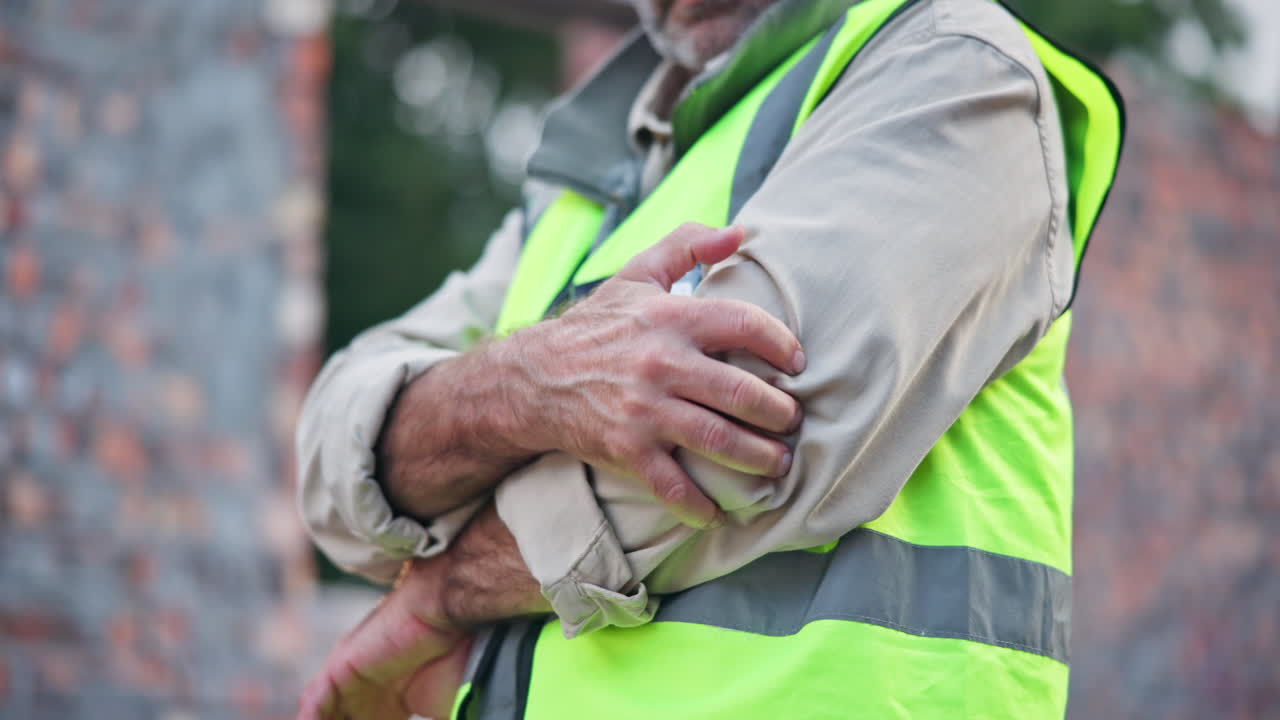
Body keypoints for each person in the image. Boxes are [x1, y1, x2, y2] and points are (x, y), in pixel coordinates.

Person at [295, 0, 1123, 717]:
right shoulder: (589, 170)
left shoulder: (954, 69)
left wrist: (443, 590)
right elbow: (336, 471)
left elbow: (738, 435)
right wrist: (526, 384)